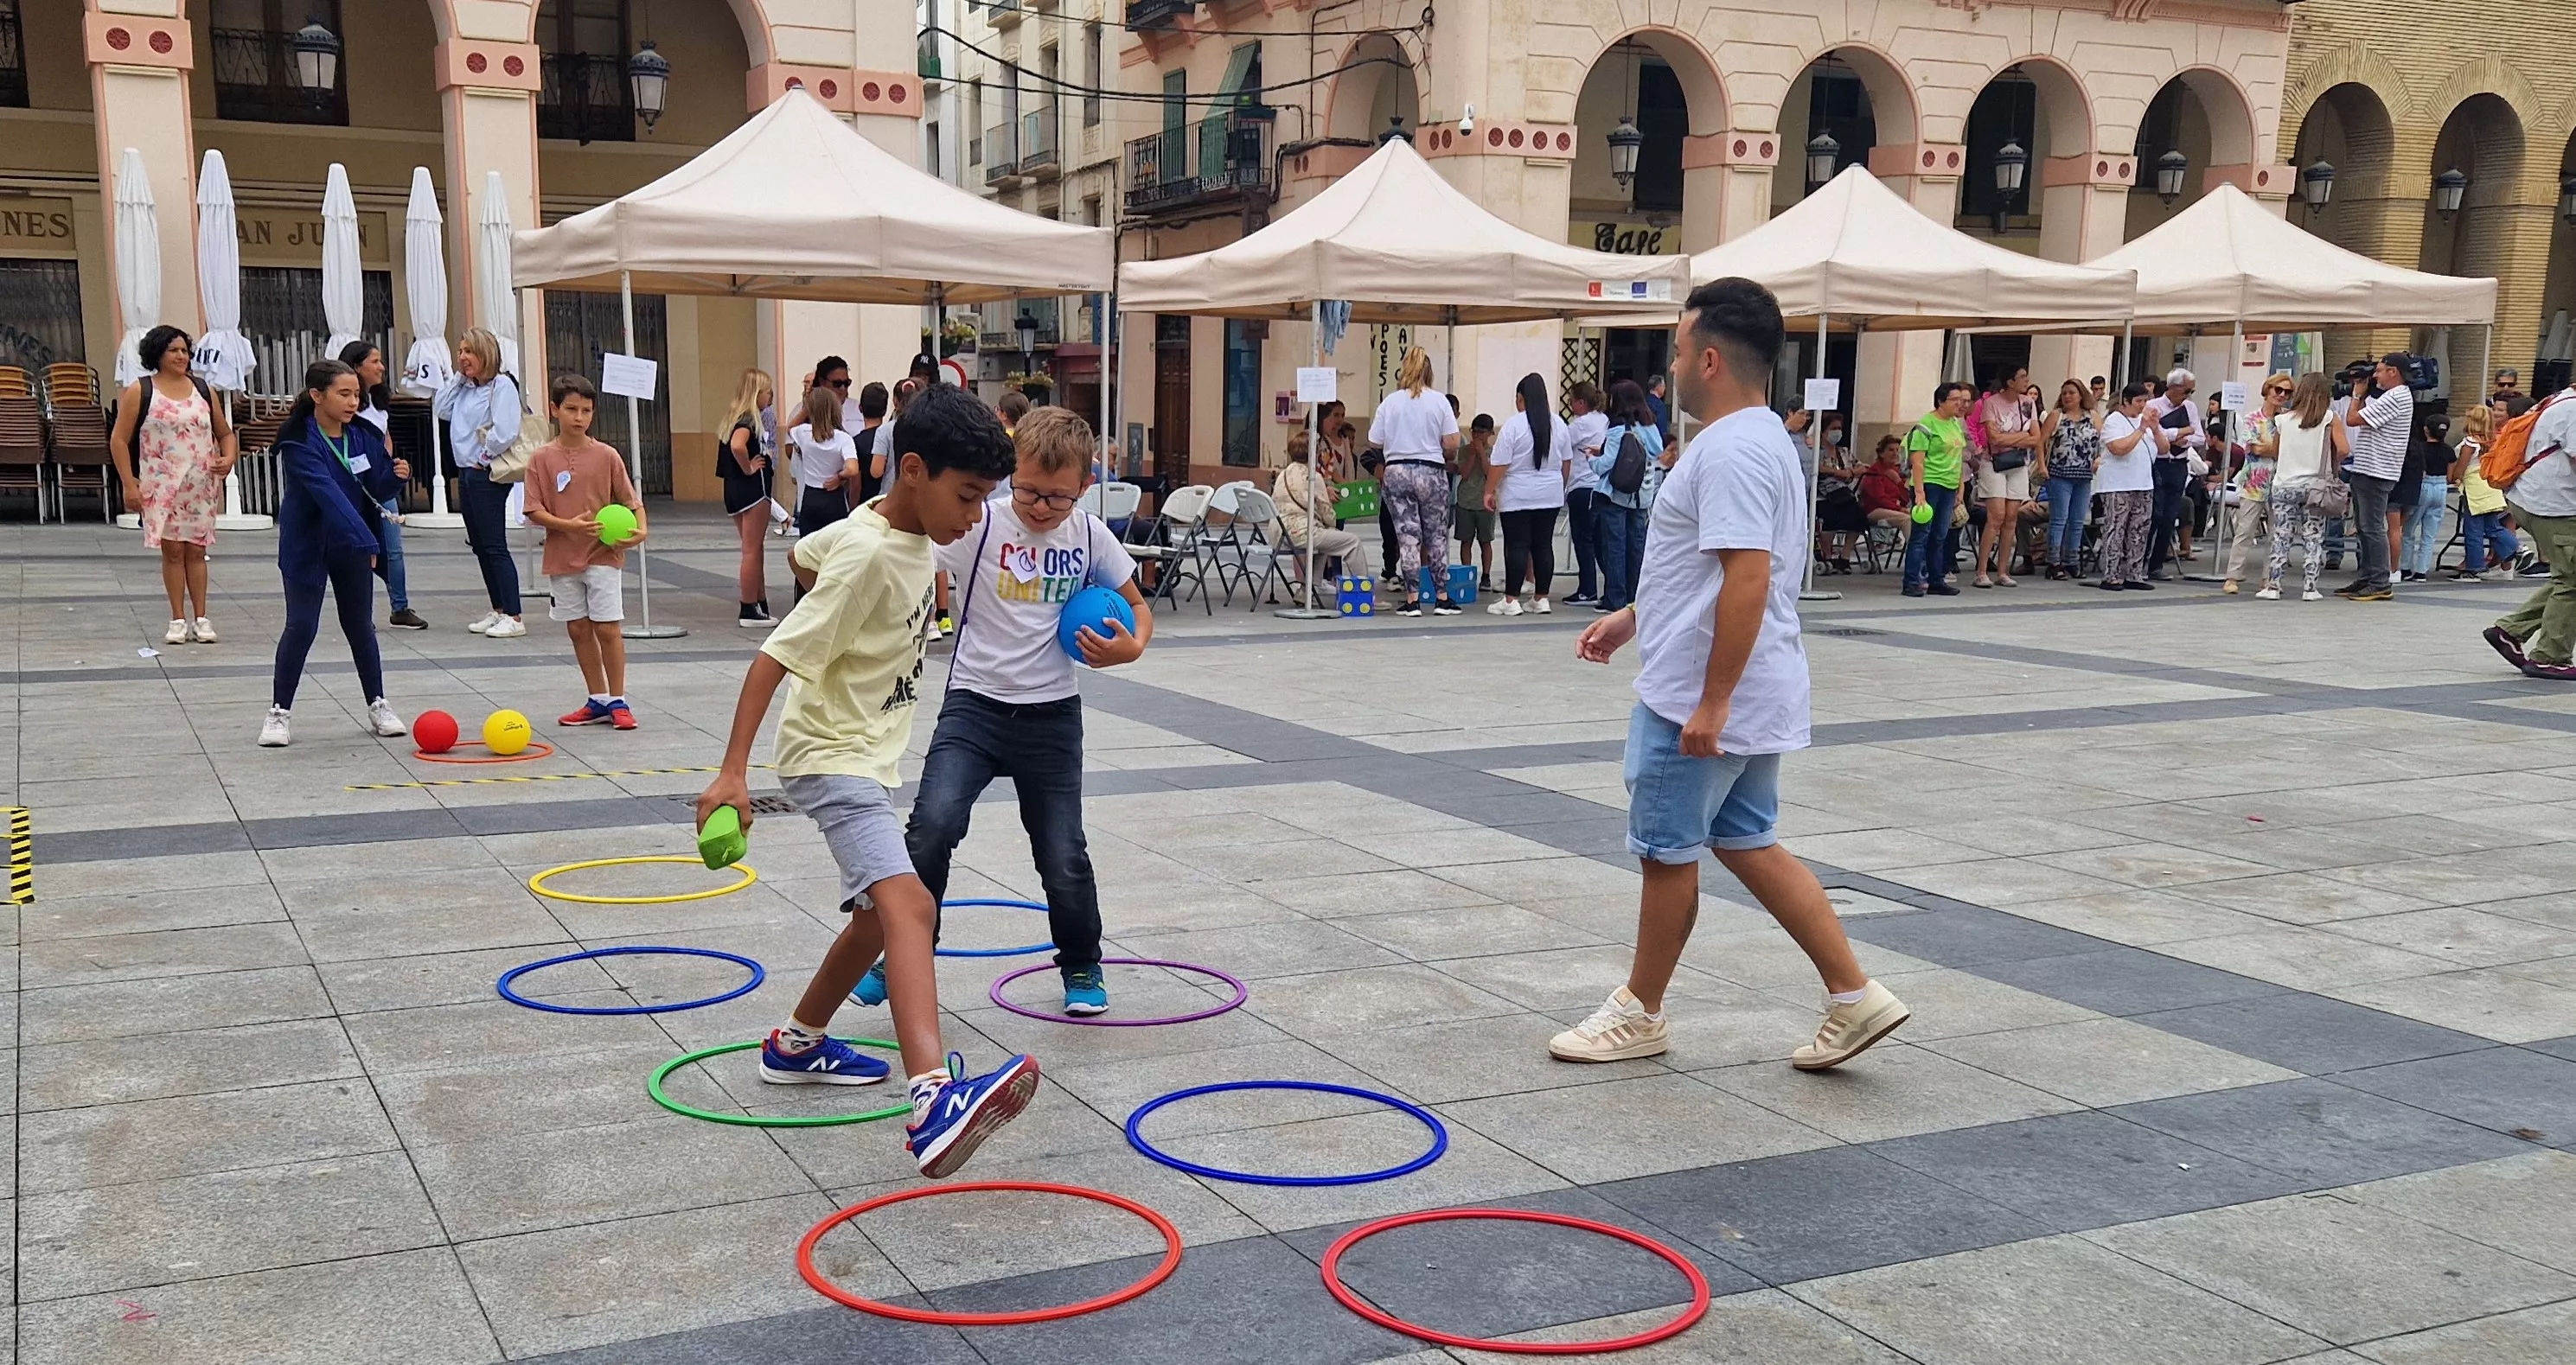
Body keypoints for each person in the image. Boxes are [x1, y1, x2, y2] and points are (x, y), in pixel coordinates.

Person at [1550, 277, 1908, 1070]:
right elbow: (1707, 569)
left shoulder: (1731, 449)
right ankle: (1853, 994)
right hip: (1745, 682)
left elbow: (1746, 576)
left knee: (1665, 850)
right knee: (1748, 840)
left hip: (1701, 692)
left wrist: (1710, 702)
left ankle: (1639, 1010)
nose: (1672, 366)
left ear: (1709, 359)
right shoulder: (1760, 439)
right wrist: (1634, 615)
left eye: (1679, 351)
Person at [693, 381, 1037, 1178]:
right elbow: (773, 656)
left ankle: (795, 1043)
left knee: (876, 922)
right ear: (912, 470)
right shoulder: (871, 555)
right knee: (911, 904)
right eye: (968, 495)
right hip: (832, 757)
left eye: (985, 498)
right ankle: (932, 1100)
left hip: (862, 754)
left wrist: (824, 575)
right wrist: (731, 774)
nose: (977, 515)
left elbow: (800, 554)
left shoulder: (882, 529)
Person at [847, 405, 1154, 1018]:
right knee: (931, 827)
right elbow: (906, 537)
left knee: (1062, 851)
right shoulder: (980, 524)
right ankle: (901, 951)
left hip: (1052, 716)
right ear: (1012, 472)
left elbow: (1138, 607)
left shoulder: (1090, 536)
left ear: (1085, 485)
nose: (1040, 507)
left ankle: (1082, 961)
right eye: (1028, 490)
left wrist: (1131, 646)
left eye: (1058, 497)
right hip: (974, 709)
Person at [260, 358, 407, 748]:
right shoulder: (298, 440)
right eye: (344, 394)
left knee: (360, 625)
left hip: (351, 544)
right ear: (317, 395)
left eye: (356, 394)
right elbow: (327, 493)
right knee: (301, 626)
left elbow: (372, 488)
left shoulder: (362, 435)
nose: (353, 402)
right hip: (308, 544)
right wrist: (368, 541)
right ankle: (279, 712)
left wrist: (395, 478)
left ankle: (378, 703)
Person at [522, 374, 646, 730]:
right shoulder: (541, 459)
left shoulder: (607, 455)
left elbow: (632, 501)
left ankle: (619, 700)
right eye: (572, 409)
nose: (579, 417)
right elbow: (533, 509)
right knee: (578, 628)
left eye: (587, 410)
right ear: (554, 409)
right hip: (562, 557)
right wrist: (568, 526)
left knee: (608, 627)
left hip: (603, 554)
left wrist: (641, 531)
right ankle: (598, 698)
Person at [111, 324, 238, 645]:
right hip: (161, 486)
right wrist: (129, 483)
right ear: (158, 354)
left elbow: (224, 432)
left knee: (197, 550)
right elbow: (119, 439)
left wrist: (228, 457)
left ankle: (202, 617)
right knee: (172, 552)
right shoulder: (141, 391)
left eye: (184, 350)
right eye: (174, 350)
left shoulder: (202, 389)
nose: (181, 356)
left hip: (201, 486)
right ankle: (177, 617)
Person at [434, 328, 527, 637]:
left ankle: (513, 614)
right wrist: (459, 379)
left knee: (494, 545)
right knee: (480, 545)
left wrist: (484, 458)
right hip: (466, 472)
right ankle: (498, 608)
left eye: (469, 352)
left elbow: (506, 430)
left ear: (485, 354)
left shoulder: (501, 386)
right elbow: (441, 409)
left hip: (486, 472)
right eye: (460, 351)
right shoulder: (466, 388)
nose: (463, 357)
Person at [2486, 382, 2576, 678]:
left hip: (2533, 498)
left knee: (2569, 576)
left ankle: (2510, 631)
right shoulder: (2573, 408)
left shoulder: (2558, 399)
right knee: (2571, 582)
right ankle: (2550, 657)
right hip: (2554, 505)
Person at [336, 341, 427, 631]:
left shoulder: (379, 401)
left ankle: (400, 606)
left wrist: (391, 465)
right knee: (362, 549)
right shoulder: (345, 407)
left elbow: (385, 437)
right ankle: (362, 614)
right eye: (374, 361)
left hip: (381, 482)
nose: (382, 367)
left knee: (393, 547)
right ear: (356, 367)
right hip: (356, 485)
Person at [1370, 348, 1462, 616]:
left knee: (1407, 537)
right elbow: (1452, 441)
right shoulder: (1439, 401)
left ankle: (1412, 600)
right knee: (1436, 535)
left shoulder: (1390, 402)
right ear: (1429, 372)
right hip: (1431, 471)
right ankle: (1441, 597)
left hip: (1397, 472)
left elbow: (1374, 440)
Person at [1486, 372, 1569, 616]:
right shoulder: (1558, 424)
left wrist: (1489, 490)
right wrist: (1559, 485)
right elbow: (1566, 462)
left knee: (1517, 545)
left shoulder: (1514, 425)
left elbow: (1500, 463)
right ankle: (1541, 598)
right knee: (1543, 545)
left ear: (1521, 398)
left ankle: (1511, 600)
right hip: (1550, 494)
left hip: (1518, 495)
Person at [2260, 372, 2346, 602]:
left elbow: (2275, 451)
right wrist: (2331, 461)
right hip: (2315, 487)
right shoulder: (2329, 418)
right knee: (2313, 536)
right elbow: (2345, 449)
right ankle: (2310, 588)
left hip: (2284, 484)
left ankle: (2273, 586)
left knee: (2281, 536)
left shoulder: (2283, 419)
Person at [2338, 354, 2414, 601]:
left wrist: (2357, 395)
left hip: (2377, 470)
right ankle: (2367, 577)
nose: (2375, 375)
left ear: (2393, 372)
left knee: (2372, 528)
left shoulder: (2396, 396)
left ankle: (2380, 581)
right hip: (2368, 468)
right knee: (2363, 527)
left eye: (2380, 370)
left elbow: (2352, 419)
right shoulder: (2394, 396)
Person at [1590, 379, 1666, 611]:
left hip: (1617, 494)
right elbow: (1655, 450)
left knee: (1614, 547)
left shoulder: (1618, 428)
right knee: (1636, 547)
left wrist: (1591, 459)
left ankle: (1615, 598)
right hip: (1642, 494)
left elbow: (1605, 465)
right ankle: (1636, 597)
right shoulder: (1650, 425)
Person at [719, 367, 779, 627]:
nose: (770, 397)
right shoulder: (749, 421)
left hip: (734, 490)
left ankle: (759, 601)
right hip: (753, 489)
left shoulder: (733, 418)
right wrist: (749, 467)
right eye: (767, 392)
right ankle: (748, 607)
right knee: (752, 550)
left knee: (754, 548)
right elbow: (737, 445)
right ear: (756, 394)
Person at [2222, 373, 2292, 594]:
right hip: (2254, 481)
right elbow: (2252, 448)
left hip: (2280, 480)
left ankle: (2270, 578)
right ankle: (2233, 576)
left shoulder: (2288, 419)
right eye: (2278, 390)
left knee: (2276, 533)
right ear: (2267, 390)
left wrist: (2267, 448)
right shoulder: (2252, 418)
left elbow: (2285, 449)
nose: (2282, 395)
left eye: (2287, 392)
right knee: (2245, 530)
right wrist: (2272, 449)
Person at [1901, 381, 1972, 596]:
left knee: (1940, 535)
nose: (1960, 404)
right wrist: (1919, 492)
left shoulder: (1955, 424)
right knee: (1921, 534)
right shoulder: (1926, 424)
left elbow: (1957, 458)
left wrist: (1960, 487)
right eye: (1955, 400)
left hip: (1949, 485)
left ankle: (1935, 579)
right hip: (1930, 484)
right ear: (1941, 401)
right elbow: (1918, 461)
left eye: (1962, 400)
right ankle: (1912, 581)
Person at [1972, 367, 2040, 587]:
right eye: (2022, 377)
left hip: (2018, 463)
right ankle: (1982, 571)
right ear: (2010, 381)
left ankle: (2003, 571)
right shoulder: (1991, 403)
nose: (2026, 380)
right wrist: (2022, 437)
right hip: (1994, 462)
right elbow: (1994, 438)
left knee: (2012, 517)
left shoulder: (2027, 403)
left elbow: (2036, 438)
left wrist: (2010, 438)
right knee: (1996, 516)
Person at [1276, 429, 1365, 588]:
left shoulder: (1282, 474)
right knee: (1353, 542)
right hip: (1302, 533)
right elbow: (1328, 516)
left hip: (1280, 534)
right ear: (1314, 454)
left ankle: (1310, 587)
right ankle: (1365, 590)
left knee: (1324, 538)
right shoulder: (1313, 477)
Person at [2094, 381, 2158, 590]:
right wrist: (2141, 429)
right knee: (2116, 528)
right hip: (2117, 484)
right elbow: (2119, 448)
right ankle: (2110, 574)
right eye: (2139, 401)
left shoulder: (2145, 421)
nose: (2143, 405)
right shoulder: (2114, 421)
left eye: (2145, 401)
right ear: (2126, 402)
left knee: (2139, 529)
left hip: (2143, 483)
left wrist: (2155, 429)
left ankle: (2134, 574)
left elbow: (2164, 448)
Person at [2143, 368, 2203, 579]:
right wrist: (2181, 431)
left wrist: (2181, 439)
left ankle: (2156, 565)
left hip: (2179, 465)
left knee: (2169, 517)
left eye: (2191, 392)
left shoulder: (2190, 407)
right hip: (2159, 464)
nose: (2188, 396)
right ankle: (2141, 561)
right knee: (2154, 515)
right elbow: (2153, 433)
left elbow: (2200, 437)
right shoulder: (2153, 406)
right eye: (2186, 391)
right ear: (2173, 387)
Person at [2041, 380, 2099, 579]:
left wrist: (2098, 458)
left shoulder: (2093, 416)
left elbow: (2102, 441)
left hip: (2083, 475)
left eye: (2072, 393)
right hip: (2060, 473)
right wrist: (2042, 466)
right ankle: (2053, 561)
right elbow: (2041, 441)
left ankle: (2072, 560)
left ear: (2081, 395)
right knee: (2059, 519)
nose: (2067, 397)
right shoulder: (2057, 416)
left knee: (2077, 520)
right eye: (2064, 393)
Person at [2453, 405, 2518, 580]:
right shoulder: (2493, 442)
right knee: (2493, 527)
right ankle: (2516, 548)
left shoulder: (2470, 443)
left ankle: (2474, 567)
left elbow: (2460, 469)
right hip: (2491, 487)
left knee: (2473, 530)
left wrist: (2454, 478)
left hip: (2474, 490)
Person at [789, 385, 861, 539]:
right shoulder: (843, 438)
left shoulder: (804, 433)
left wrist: (807, 408)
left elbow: (791, 427)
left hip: (811, 496)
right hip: (833, 497)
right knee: (835, 544)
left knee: (808, 545)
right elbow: (853, 469)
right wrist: (840, 477)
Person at [1562, 381, 1611, 605]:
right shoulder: (1603, 419)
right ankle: (1612, 587)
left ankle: (1587, 589)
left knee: (1583, 541)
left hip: (1581, 485)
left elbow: (1561, 444)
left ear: (1581, 403)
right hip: (1600, 486)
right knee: (1600, 541)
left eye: (1571, 401)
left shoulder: (1580, 425)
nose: (1570, 405)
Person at [2399, 411, 2454, 583]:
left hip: (2423, 486)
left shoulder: (2419, 448)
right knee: (2430, 534)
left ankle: (2405, 568)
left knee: (2409, 530)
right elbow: (2450, 476)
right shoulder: (2449, 450)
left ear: (2425, 430)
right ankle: (2421, 571)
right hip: (2441, 487)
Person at [1812, 413, 1867, 572]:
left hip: (1844, 494)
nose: (1837, 432)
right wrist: (1836, 473)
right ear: (1823, 431)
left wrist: (1850, 472)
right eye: (1833, 428)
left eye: (1839, 428)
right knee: (1831, 517)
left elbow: (1862, 467)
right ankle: (1827, 556)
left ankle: (1845, 557)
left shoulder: (1844, 452)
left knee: (1859, 518)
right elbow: (1815, 467)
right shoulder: (1815, 451)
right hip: (1823, 496)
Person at [1452, 414, 1499, 588]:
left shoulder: (1494, 452)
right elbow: (1464, 473)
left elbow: (1489, 473)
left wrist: (1482, 454)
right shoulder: (1464, 450)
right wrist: (1472, 454)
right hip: (1465, 501)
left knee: (1485, 541)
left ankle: (1486, 576)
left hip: (1485, 503)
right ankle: (1467, 574)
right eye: (1474, 431)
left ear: (1490, 433)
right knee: (1466, 541)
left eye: (1481, 432)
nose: (1477, 436)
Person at [1857, 436, 1912, 542]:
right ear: (1882, 453)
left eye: (1897, 450)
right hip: (1875, 510)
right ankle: (1915, 550)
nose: (1895, 453)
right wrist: (1899, 509)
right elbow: (1879, 499)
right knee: (1906, 520)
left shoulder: (1896, 471)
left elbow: (1906, 498)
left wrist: (1898, 481)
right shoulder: (1874, 472)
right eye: (1891, 450)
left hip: (1893, 509)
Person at [1645, 373, 1672, 439]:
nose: (1665, 388)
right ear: (1658, 387)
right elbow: (1662, 427)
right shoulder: (1659, 405)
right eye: (1663, 386)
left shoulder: (1644, 402)